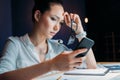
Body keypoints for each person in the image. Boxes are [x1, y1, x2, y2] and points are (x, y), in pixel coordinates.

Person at [0, 0, 97, 80]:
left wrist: (79, 31)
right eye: (53, 19)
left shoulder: (58, 49)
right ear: (37, 15)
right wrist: (52, 64)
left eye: (61, 23)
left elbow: (91, 66)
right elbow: (2, 77)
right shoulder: (15, 44)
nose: (57, 28)